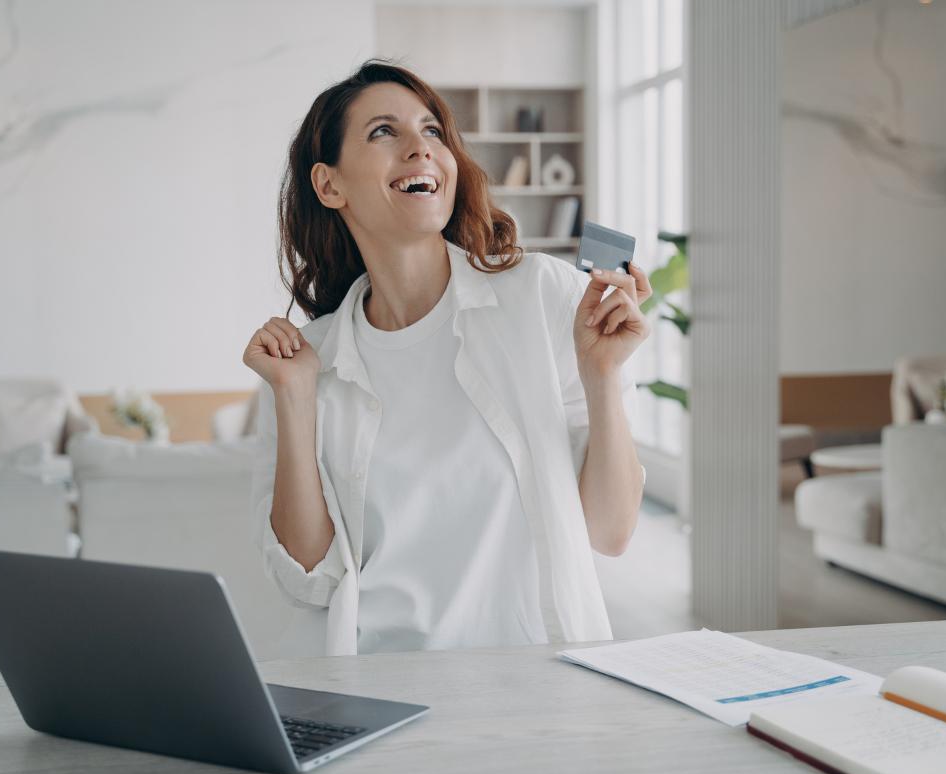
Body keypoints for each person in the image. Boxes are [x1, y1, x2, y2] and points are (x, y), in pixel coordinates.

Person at [242, 59, 652, 656]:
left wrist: (603, 378)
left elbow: (610, 533)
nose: (420, 149)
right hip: (379, 688)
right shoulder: (309, 358)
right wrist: (296, 399)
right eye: (384, 132)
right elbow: (308, 579)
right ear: (329, 185)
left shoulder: (543, 296)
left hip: (540, 685)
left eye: (433, 130)